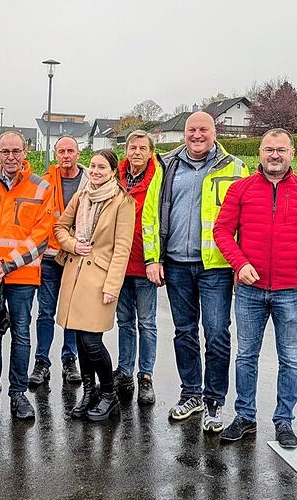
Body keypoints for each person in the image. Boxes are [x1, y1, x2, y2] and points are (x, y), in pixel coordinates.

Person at [143, 111, 248, 432]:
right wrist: (152, 259)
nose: (197, 135)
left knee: (217, 333)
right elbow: (151, 213)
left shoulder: (235, 168)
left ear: (215, 132)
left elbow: (245, 219)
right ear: (184, 133)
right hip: (175, 264)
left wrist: (239, 263)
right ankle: (191, 394)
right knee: (184, 332)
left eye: (204, 129)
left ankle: (214, 402)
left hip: (216, 267)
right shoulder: (166, 165)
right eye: (192, 130)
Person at [212, 128, 297, 448]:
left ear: (292, 154)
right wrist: (240, 263)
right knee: (246, 356)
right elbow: (222, 231)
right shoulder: (241, 190)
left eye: (281, 150)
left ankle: (284, 420)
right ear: (259, 152)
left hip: (291, 289)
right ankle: (245, 416)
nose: (275, 155)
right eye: (269, 149)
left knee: (290, 358)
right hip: (250, 289)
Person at [0, 131, 54, 420]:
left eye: (16, 151)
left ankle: (18, 394)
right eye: (5, 152)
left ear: (25, 151)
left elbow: (41, 236)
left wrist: (7, 265)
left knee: (21, 333)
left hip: (22, 277)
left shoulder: (41, 188)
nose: (11, 157)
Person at [53, 150, 135, 421]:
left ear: (113, 170)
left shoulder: (123, 202)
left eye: (102, 167)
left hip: (99, 280)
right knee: (79, 338)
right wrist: (72, 244)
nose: (96, 171)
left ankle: (109, 395)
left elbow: (122, 248)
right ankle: (89, 393)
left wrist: (113, 285)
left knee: (92, 340)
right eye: (94, 166)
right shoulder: (82, 196)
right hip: (75, 276)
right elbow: (59, 228)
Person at [29, 136, 85, 388]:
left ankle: (69, 359)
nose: (66, 155)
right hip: (50, 257)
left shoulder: (89, 181)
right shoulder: (44, 182)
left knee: (72, 311)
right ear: (55, 154)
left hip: (77, 256)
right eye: (61, 151)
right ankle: (42, 361)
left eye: (70, 151)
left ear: (78, 153)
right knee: (46, 312)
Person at [114, 130, 164, 405]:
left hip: (147, 262)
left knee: (147, 323)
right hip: (120, 262)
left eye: (142, 148)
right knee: (124, 322)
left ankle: (146, 376)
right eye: (132, 147)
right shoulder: (115, 177)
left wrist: (157, 259)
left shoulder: (159, 177)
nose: (136, 152)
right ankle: (125, 371)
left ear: (150, 152)